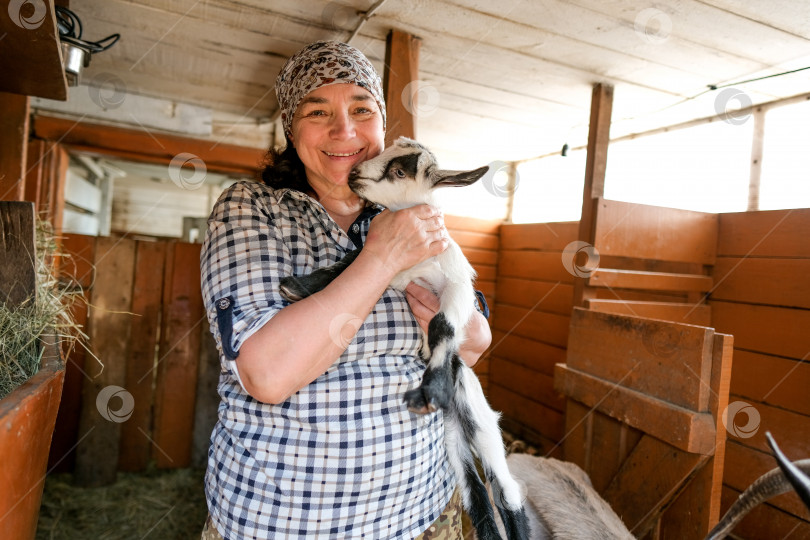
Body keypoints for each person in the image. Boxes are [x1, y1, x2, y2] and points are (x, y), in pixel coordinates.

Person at [199, 41, 492, 540]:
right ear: (291, 130)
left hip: (423, 514)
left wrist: (456, 328)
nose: (345, 130)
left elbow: (474, 342)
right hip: (283, 524)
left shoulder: (409, 207)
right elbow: (267, 375)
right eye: (318, 111)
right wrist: (380, 259)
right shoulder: (252, 209)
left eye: (362, 108)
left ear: (382, 125)